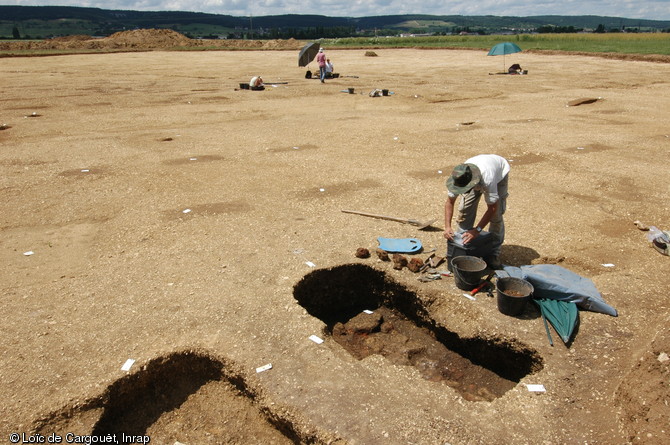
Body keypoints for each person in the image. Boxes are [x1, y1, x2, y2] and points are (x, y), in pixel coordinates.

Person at [444, 154, 510, 268]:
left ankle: (493, 253)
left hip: (499, 172)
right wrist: (447, 227)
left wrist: (477, 230)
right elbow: (449, 202)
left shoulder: (488, 179)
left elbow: (492, 208)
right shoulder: (459, 177)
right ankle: (462, 247)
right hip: (476, 175)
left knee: (496, 216)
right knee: (465, 209)